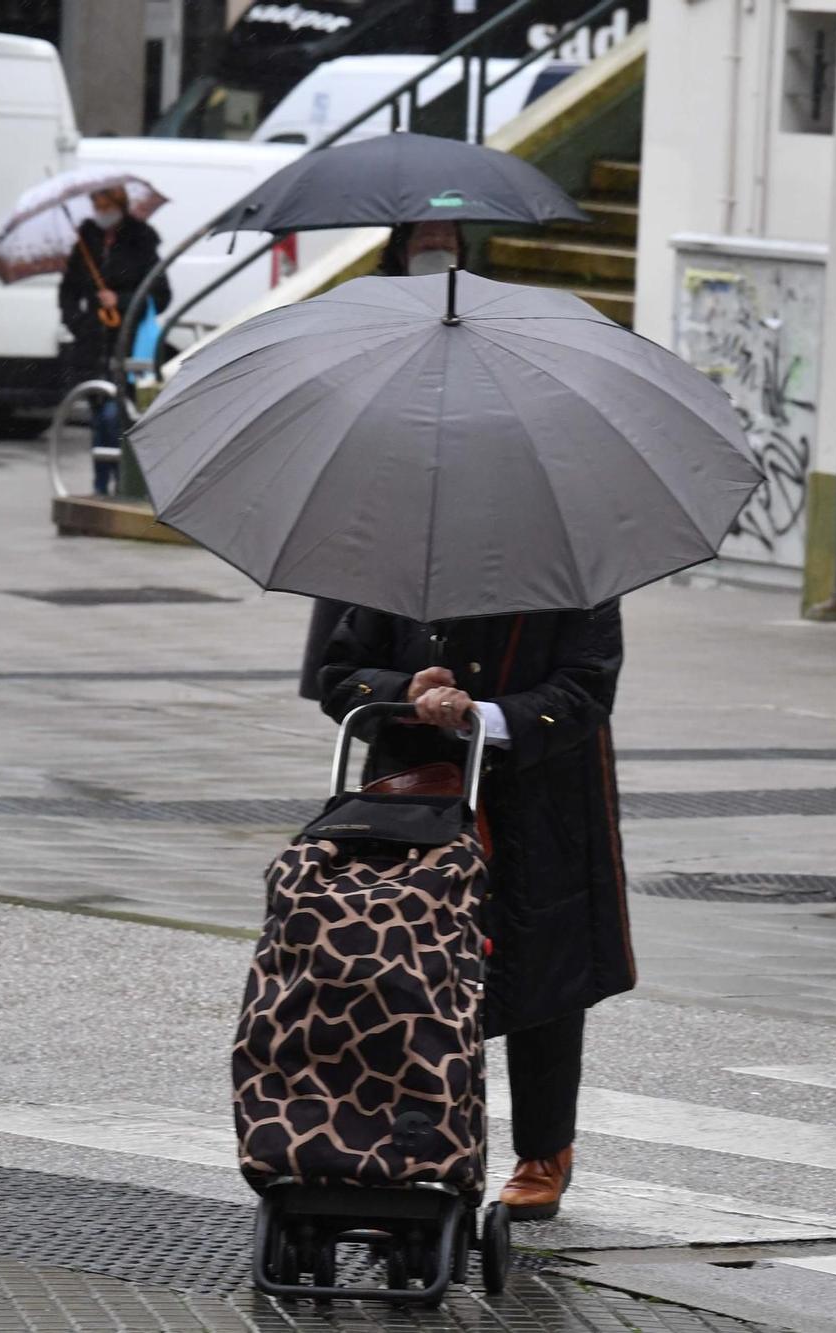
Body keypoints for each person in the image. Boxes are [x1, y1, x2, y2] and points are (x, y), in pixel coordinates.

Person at [317, 601, 633, 1220]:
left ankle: (544, 1151)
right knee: (406, 969)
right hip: (413, 794)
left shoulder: (576, 578)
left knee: (546, 970)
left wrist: (483, 716)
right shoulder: (405, 562)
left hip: (543, 798)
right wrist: (406, 691)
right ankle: (406, 1147)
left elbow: (587, 687)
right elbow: (339, 675)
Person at [296, 219, 471, 699]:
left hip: (450, 482)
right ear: (401, 248)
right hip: (379, 486)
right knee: (369, 620)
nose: (437, 244)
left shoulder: (476, 310)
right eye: (425, 237)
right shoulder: (369, 309)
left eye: (447, 237)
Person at [59, 186, 171, 496]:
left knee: (116, 416)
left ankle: (122, 480)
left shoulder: (142, 242)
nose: (100, 212)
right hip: (93, 346)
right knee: (100, 417)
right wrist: (79, 322)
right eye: (96, 206)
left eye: (105, 206)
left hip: (129, 343)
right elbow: (68, 290)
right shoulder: (86, 241)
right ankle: (100, 483)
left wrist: (119, 301)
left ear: (119, 207)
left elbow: (161, 295)